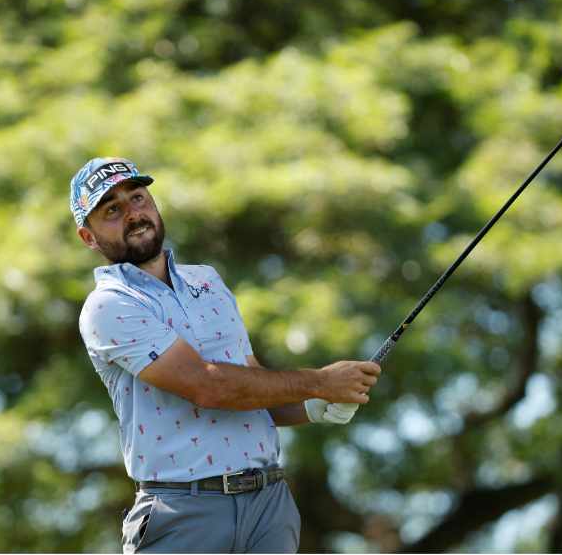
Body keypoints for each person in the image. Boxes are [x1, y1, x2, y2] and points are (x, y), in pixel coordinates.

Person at [69, 157, 382, 553]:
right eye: (112, 210)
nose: (133, 213)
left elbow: (251, 387)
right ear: (89, 237)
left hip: (270, 506)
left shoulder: (207, 280)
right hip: (183, 513)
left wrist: (314, 406)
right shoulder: (108, 306)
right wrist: (320, 381)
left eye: (138, 198)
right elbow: (208, 386)